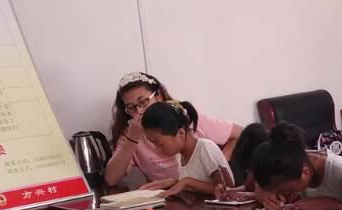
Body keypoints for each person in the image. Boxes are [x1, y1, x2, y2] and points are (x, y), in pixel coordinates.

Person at [104, 72, 242, 187]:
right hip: (169, 200)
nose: (139, 111)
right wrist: (132, 139)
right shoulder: (131, 133)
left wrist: (220, 162)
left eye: (143, 102)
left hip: (203, 194)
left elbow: (241, 133)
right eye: (131, 107)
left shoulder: (186, 118)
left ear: (158, 95)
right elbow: (111, 179)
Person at [250, 122, 342, 210]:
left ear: (305, 172)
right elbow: (259, 187)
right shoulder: (290, 161)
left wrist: (332, 205)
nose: (283, 194)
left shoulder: (341, 170)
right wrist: (267, 197)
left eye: (288, 190)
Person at [136, 101, 233, 199]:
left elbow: (227, 189)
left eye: (159, 144)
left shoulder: (205, 148)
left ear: (180, 133)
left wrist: (187, 182)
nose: (157, 149)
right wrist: (174, 182)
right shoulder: (179, 154)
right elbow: (198, 184)